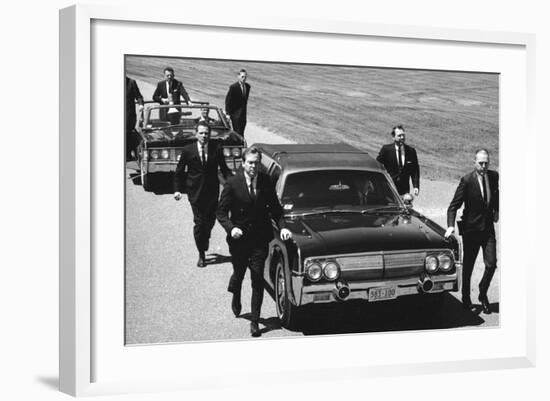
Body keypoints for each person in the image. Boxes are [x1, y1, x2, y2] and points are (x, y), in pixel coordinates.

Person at [216, 146, 292, 337]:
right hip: (239, 240)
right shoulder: (233, 183)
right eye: (250, 162)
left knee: (257, 279)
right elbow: (221, 212)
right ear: (243, 163)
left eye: (256, 162)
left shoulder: (266, 182)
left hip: (259, 240)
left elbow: (275, 209)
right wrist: (231, 227)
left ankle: (255, 322)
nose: (253, 166)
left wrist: (283, 227)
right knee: (239, 273)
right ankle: (236, 292)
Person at [445, 149, 499, 314]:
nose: (483, 166)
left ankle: (482, 293)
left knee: (491, 264)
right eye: (480, 163)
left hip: (488, 229)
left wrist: (497, 210)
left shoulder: (494, 176)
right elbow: (453, 206)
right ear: (474, 162)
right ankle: (466, 298)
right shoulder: (467, 180)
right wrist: (450, 226)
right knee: (468, 266)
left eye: (486, 163)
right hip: (471, 230)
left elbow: (496, 194)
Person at [174, 121, 232, 267]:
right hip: (195, 193)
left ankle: (205, 238)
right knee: (200, 224)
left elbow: (224, 169)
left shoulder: (216, 149)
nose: (204, 136)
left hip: (212, 192)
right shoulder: (188, 150)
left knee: (210, 222)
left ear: (210, 134)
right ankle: (201, 254)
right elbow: (179, 172)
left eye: (206, 133)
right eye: (201, 133)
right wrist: (177, 189)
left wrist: (234, 183)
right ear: (196, 134)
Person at [376, 125, 420, 196]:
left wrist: (416, 186)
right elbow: (377, 164)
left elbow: (415, 170)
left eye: (403, 135)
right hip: (389, 187)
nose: (402, 138)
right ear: (393, 137)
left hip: (404, 188)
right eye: (399, 136)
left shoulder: (411, 151)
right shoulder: (386, 150)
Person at [224, 69, 250, 137]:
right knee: (237, 132)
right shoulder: (233, 87)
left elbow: (245, 101)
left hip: (243, 115)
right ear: (238, 77)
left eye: (245, 77)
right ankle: (239, 146)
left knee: (242, 131)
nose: (244, 79)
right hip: (235, 114)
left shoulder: (248, 87)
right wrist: (228, 113)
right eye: (242, 77)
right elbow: (228, 101)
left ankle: (241, 145)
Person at [125, 76, 144, 160]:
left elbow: (139, 96)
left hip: (129, 115)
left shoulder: (131, 83)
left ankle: (127, 155)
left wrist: (140, 104)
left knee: (128, 134)